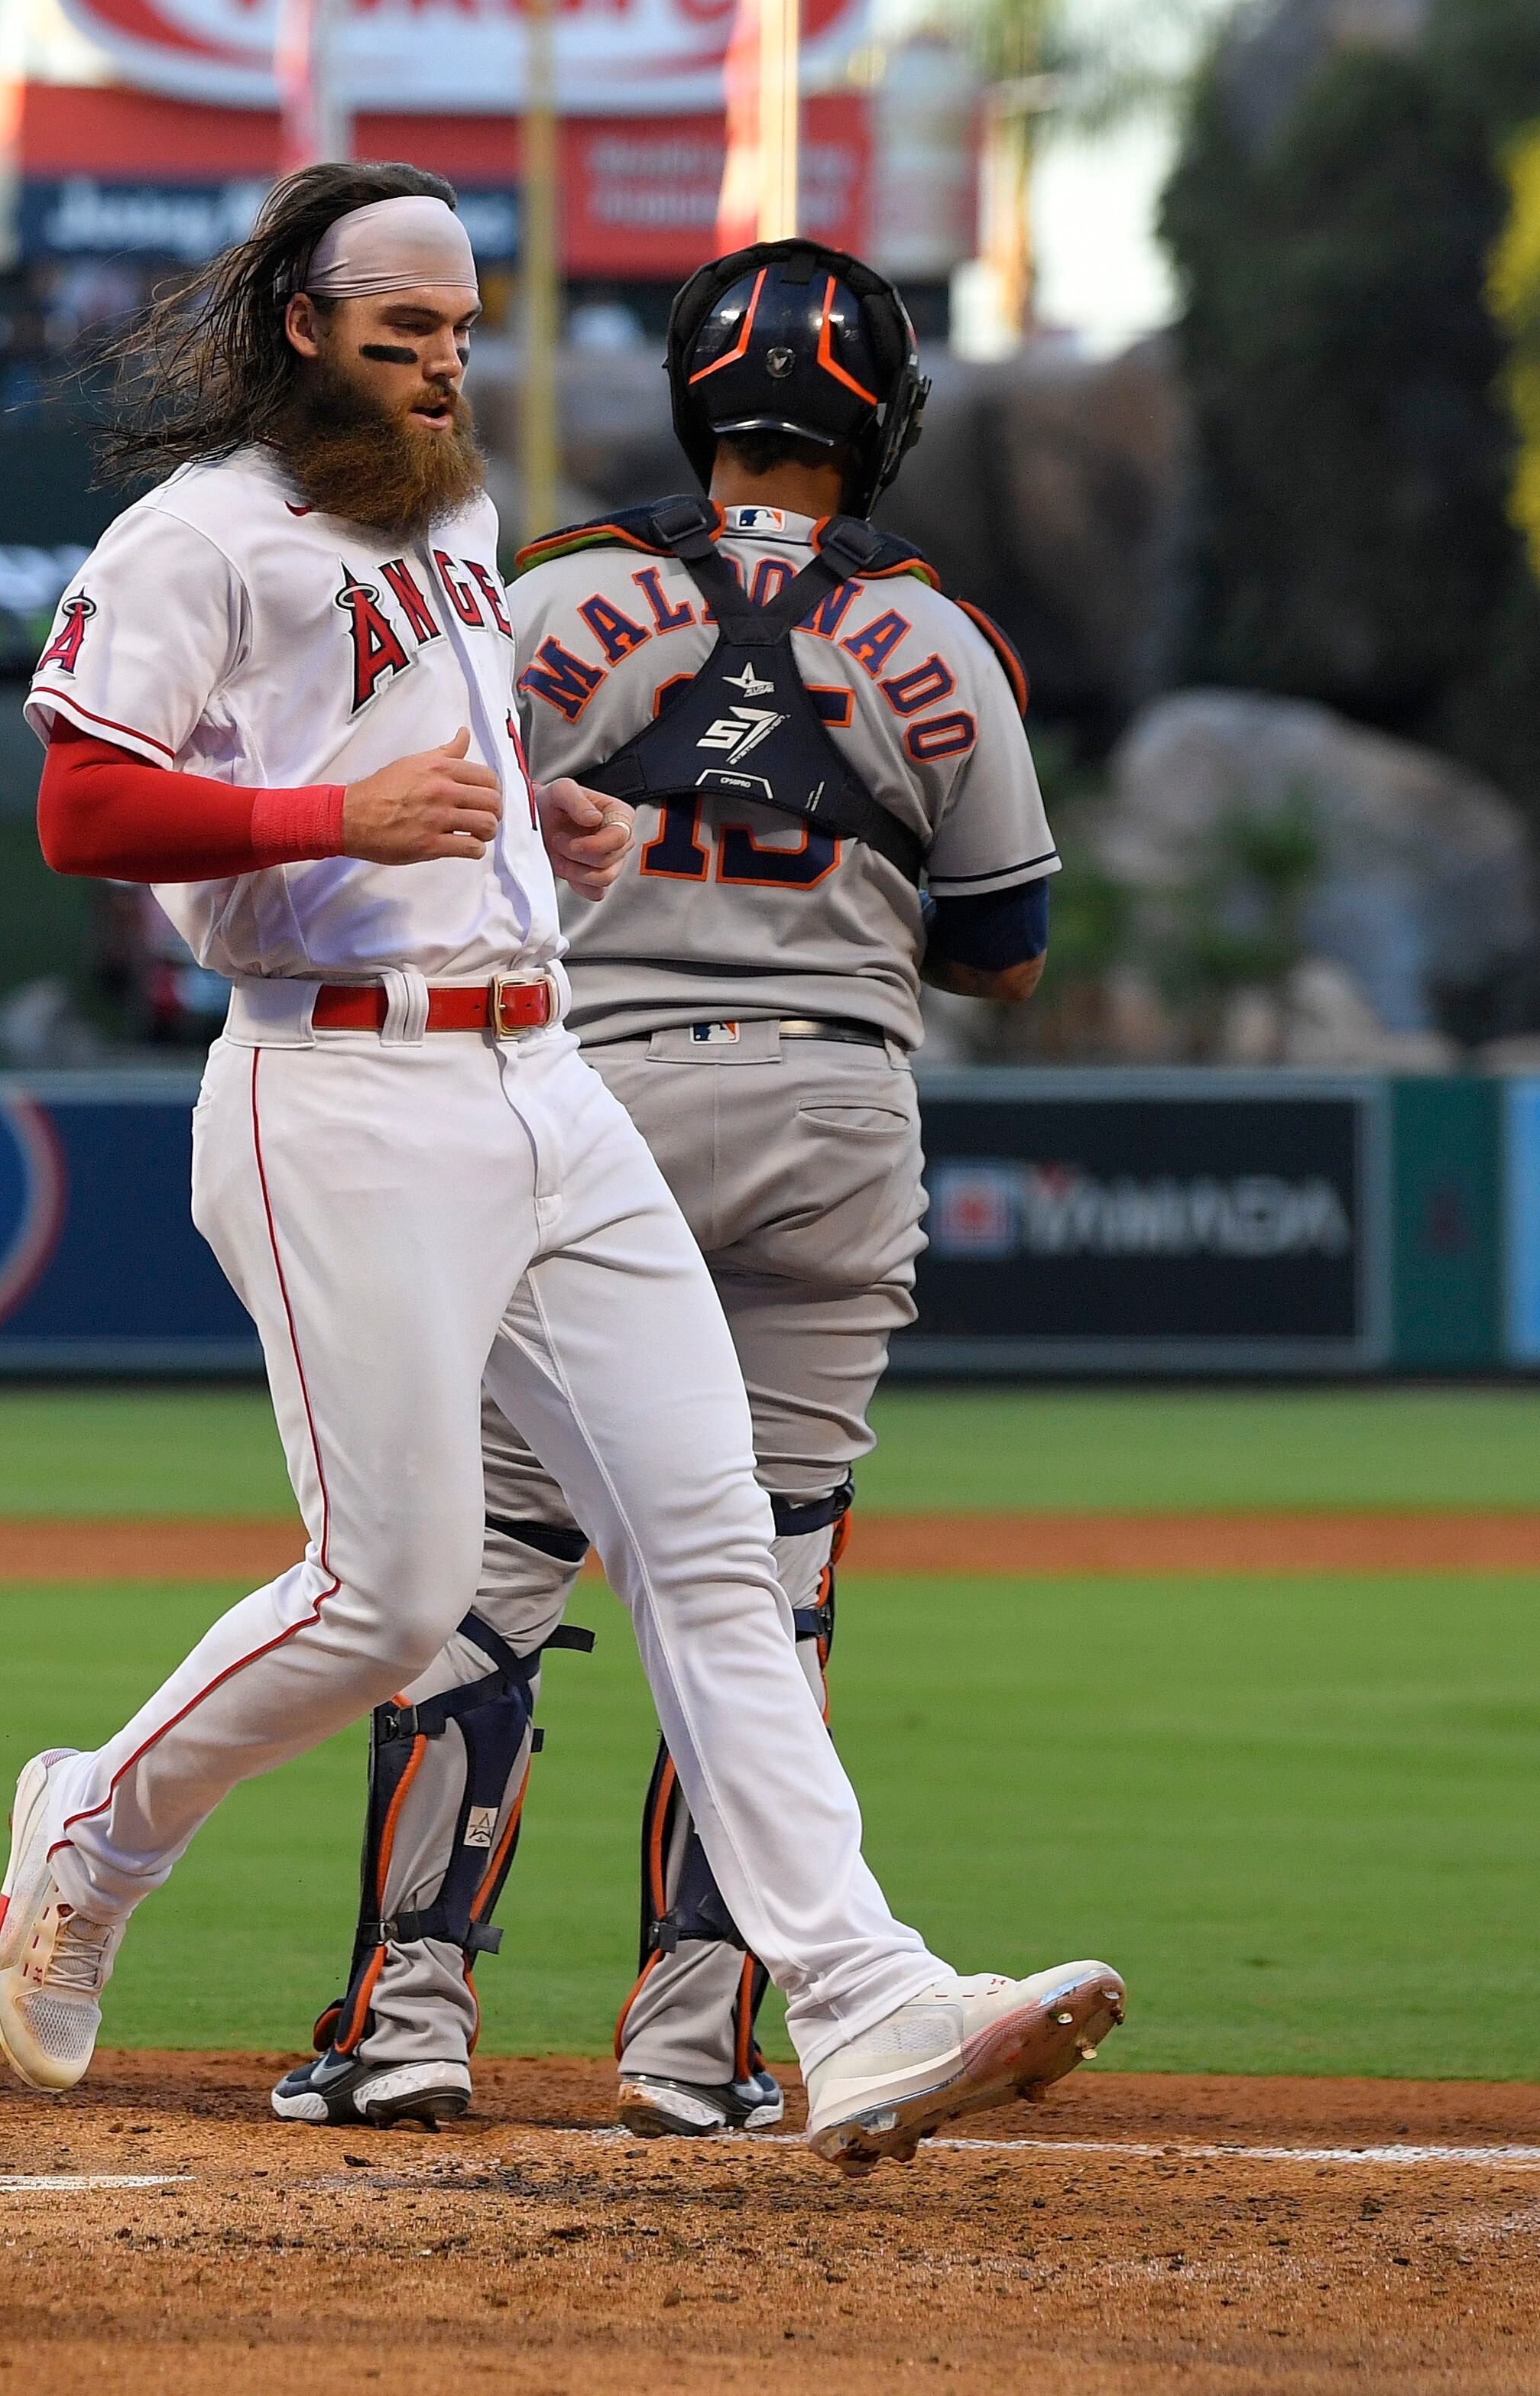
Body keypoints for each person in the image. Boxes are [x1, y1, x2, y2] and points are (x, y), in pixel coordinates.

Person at [0, 163, 1121, 2171]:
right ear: (301, 334)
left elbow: (459, 768)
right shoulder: (201, 536)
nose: (440, 358)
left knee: (713, 1561)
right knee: (389, 1584)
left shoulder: (454, 526)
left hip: (549, 1073)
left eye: (457, 322)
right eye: (398, 324)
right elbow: (82, 802)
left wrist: (555, 822)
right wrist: (339, 804)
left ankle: (861, 1996)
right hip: (335, 1089)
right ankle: (92, 1821)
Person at [263, 238, 1071, 2140]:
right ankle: (692, 2047)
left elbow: (409, 834)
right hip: (838, 1114)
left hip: (583, 1099)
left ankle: (407, 2023)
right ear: (882, 420)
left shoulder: (546, 596)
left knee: (497, 1577)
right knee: (758, 1586)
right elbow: (1005, 949)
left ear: (694, 402)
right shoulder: (947, 640)